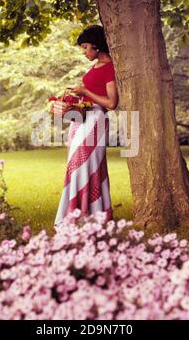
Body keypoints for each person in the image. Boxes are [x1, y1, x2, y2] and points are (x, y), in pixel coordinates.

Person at [52, 24, 119, 228]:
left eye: (85, 47)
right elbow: (89, 97)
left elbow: (111, 103)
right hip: (82, 122)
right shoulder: (95, 67)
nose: (83, 52)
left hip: (96, 122)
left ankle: (91, 215)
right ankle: (75, 214)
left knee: (86, 167)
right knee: (75, 167)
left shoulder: (109, 68)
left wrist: (86, 92)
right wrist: (74, 100)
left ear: (97, 47)